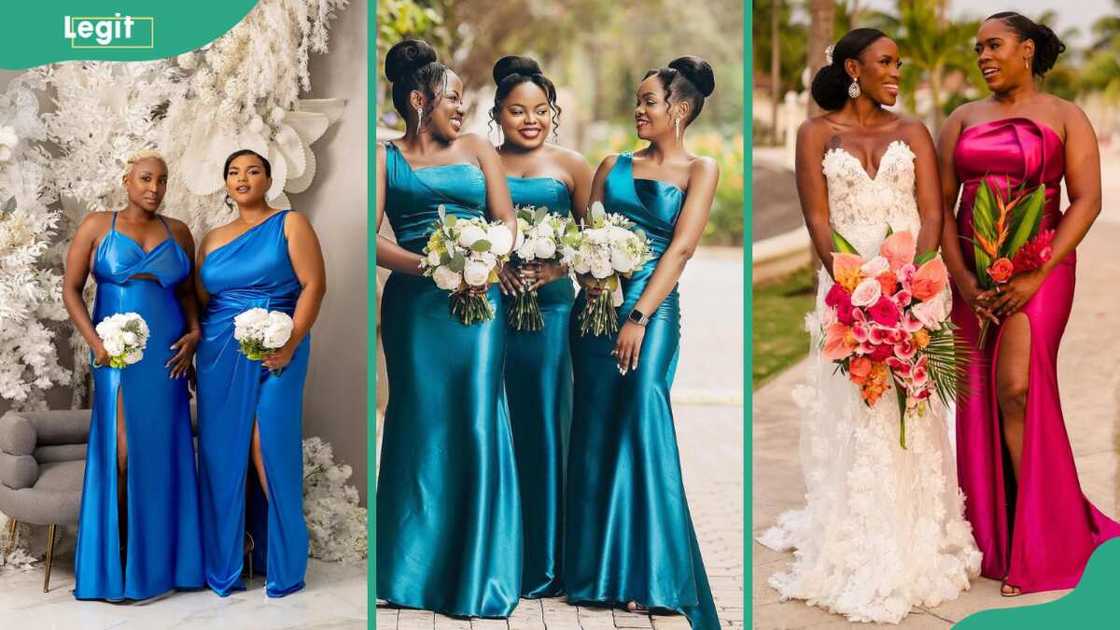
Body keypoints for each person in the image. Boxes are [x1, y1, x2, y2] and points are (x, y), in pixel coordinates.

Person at [757, 29, 980, 624]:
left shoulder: (912, 132)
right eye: (885, 63)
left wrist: (911, 288)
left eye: (899, 64)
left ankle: (918, 526)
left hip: (916, 290)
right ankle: (861, 531)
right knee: (861, 405)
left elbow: (933, 211)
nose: (896, 72)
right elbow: (817, 218)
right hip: (850, 293)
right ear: (853, 67)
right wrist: (858, 290)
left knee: (914, 406)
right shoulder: (814, 134)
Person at [938, 12, 1120, 596]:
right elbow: (941, 206)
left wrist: (1035, 272)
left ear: (1028, 49)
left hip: (1041, 269)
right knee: (981, 398)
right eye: (978, 48)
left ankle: (1042, 543)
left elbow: (1085, 201)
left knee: (1018, 389)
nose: (983, 56)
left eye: (994, 45)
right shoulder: (961, 118)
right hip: (973, 274)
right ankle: (998, 532)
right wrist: (963, 279)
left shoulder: (1067, 116)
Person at [564, 56, 721, 629]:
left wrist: (637, 313)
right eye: (638, 100)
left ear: (678, 109)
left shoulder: (701, 170)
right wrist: (593, 281)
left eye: (649, 101)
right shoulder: (611, 164)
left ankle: (652, 574)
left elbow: (680, 250)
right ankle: (594, 574)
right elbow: (587, 238)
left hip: (649, 313)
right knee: (596, 427)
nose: (639, 110)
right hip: (596, 311)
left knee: (643, 417)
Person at [375, 39, 523, 617]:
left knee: (476, 418)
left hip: (480, 307)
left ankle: (477, 572)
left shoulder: (478, 148)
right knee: (420, 425)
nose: (461, 109)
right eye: (451, 99)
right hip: (416, 310)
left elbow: (504, 222)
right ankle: (411, 574)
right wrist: (432, 268)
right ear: (418, 100)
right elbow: (371, 239)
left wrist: (481, 263)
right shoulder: (385, 157)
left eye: (463, 100)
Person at [64, 150, 204, 601]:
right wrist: (97, 344)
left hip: (166, 357)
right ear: (126, 180)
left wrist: (196, 333)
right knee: (121, 454)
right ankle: (118, 561)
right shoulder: (96, 225)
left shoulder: (178, 232)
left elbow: (185, 293)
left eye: (162, 181)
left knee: (163, 453)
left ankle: (162, 565)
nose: (154, 188)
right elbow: (71, 290)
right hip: (116, 357)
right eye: (145, 179)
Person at [195, 149, 326, 597]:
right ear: (226, 184)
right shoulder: (211, 238)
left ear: (269, 179)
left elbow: (314, 285)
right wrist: (195, 347)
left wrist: (289, 343)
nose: (242, 178)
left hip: (278, 345)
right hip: (218, 351)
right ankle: (229, 557)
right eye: (233, 172)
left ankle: (285, 558)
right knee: (221, 452)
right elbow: (200, 302)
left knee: (266, 445)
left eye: (252, 171)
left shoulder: (290, 224)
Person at [490, 54, 592, 598]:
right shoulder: (483, 161)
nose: (530, 119)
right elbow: (473, 228)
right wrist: (495, 264)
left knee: (549, 427)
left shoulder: (573, 165)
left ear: (554, 113)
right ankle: (502, 551)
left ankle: (549, 560)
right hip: (495, 311)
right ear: (498, 115)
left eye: (541, 110)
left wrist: (556, 266)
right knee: (500, 425)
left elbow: (595, 240)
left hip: (553, 313)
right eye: (516, 110)